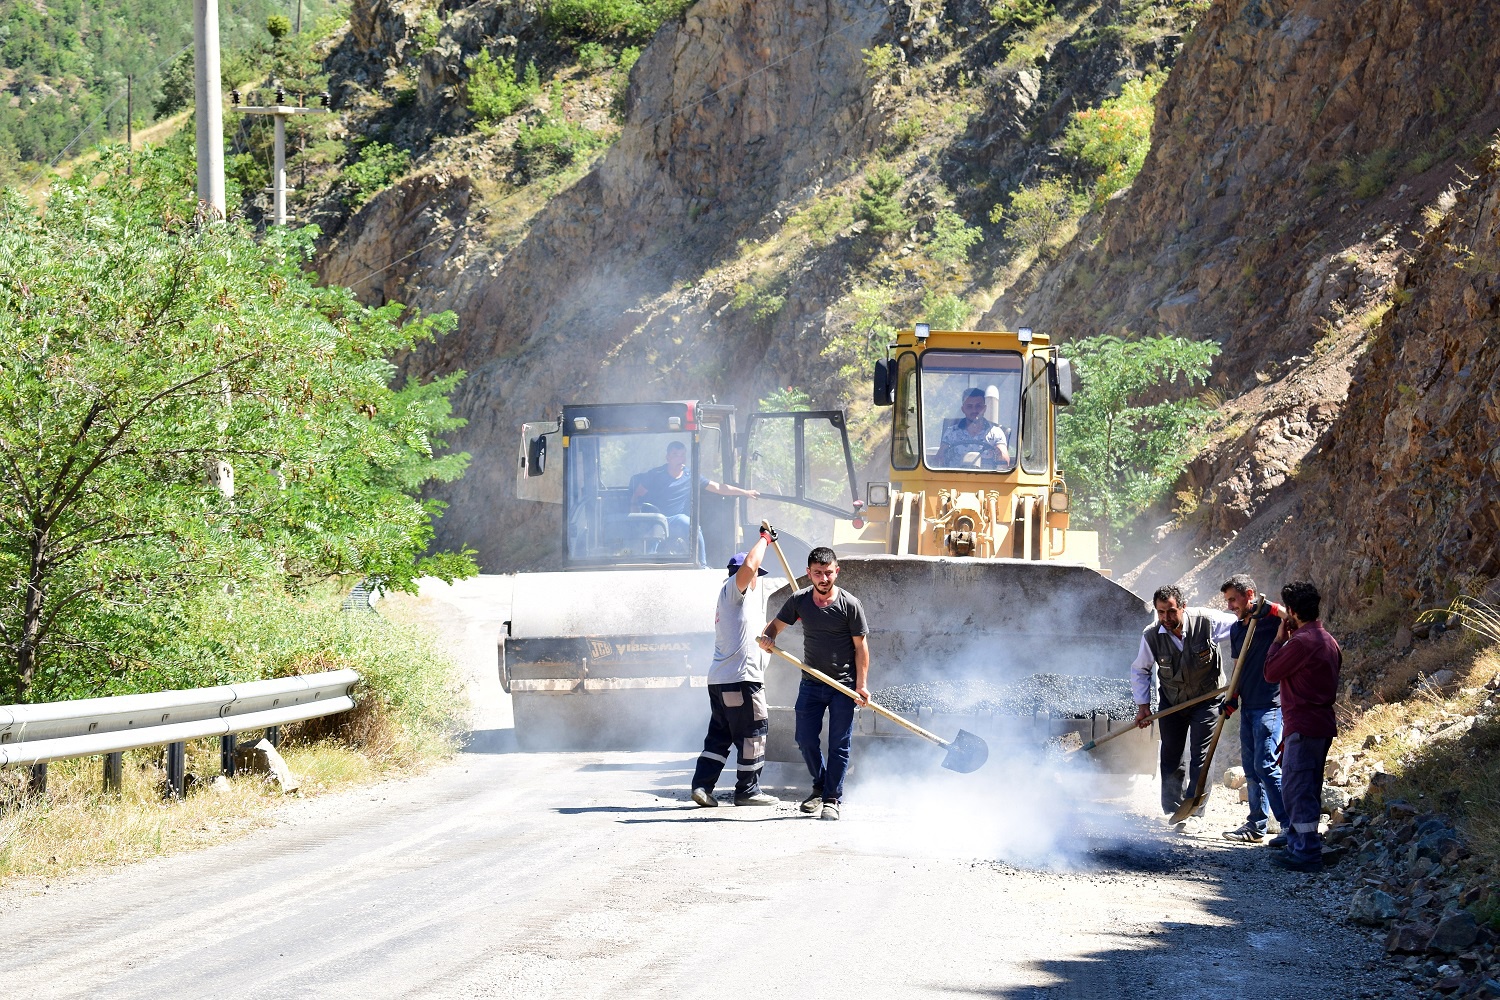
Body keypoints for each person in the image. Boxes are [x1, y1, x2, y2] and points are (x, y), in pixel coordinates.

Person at [757, 546, 870, 822]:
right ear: (808, 573)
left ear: (836, 572)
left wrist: (862, 685)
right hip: (811, 683)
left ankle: (832, 798)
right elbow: (773, 628)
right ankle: (820, 784)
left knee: (838, 745)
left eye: (828, 573)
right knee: (805, 739)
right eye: (817, 573)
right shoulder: (799, 601)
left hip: (843, 686)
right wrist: (768, 639)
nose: (823, 578)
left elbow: (861, 648)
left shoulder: (850, 605)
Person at [1130, 583, 1237, 827]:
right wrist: (1143, 705)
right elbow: (1141, 670)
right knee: (1170, 753)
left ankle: (1195, 811)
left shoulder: (1207, 621)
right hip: (1172, 702)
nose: (1166, 618)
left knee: (1201, 756)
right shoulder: (1151, 635)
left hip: (1207, 699)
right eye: (1160, 612)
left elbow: (1242, 628)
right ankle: (1173, 809)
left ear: (1183, 607)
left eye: (1171, 611)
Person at [690, 524, 780, 808]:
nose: (757, 580)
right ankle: (748, 791)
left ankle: (703, 787)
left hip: (722, 681)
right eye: (755, 576)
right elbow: (751, 565)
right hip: (741, 681)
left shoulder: (740, 605)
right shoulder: (733, 591)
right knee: (754, 732)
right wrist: (765, 539)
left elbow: (761, 635)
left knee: (720, 735)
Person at [1263, 580, 1342, 873]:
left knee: (1297, 789)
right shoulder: (1326, 640)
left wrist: (1278, 639)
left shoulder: (1301, 643)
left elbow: (1270, 672)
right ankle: (1300, 844)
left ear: (1293, 611)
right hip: (1319, 724)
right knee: (1304, 787)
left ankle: (1306, 853)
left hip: (1304, 724)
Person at [1218, 574, 1288, 844]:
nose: (1230, 606)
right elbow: (1238, 665)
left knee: (1266, 766)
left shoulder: (1270, 622)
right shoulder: (1237, 629)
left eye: (1233, 599)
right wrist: (1232, 695)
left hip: (1270, 705)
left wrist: (1269, 607)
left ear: (1249, 595)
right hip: (1247, 705)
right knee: (1250, 768)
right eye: (1227, 601)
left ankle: (1289, 826)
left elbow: (1291, 618)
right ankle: (1256, 825)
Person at [632, 441, 759, 564]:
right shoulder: (655, 474)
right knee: (654, 535)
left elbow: (719, 488)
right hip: (656, 518)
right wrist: (636, 516)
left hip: (676, 519)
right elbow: (637, 495)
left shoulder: (690, 475)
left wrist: (745, 492)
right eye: (675, 455)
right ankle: (647, 563)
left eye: (682, 455)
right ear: (668, 457)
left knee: (693, 527)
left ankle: (702, 565)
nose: (680, 459)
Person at [937, 388, 1010, 469]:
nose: (974, 410)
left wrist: (999, 454)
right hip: (955, 478)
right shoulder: (951, 432)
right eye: (969, 406)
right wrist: (942, 456)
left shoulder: (996, 433)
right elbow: (939, 460)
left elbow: (1005, 462)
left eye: (978, 406)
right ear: (963, 409)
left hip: (987, 479)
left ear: (984, 408)